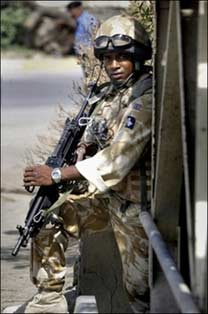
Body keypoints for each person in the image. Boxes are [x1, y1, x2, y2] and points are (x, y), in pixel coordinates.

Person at [23, 14, 152, 314]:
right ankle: (49, 301)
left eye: (122, 57)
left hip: (136, 209)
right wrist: (76, 152)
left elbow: (115, 161)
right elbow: (93, 136)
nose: (114, 65)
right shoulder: (110, 96)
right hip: (105, 200)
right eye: (108, 58)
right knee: (47, 218)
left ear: (138, 58)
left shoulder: (144, 100)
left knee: (139, 290)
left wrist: (55, 174)